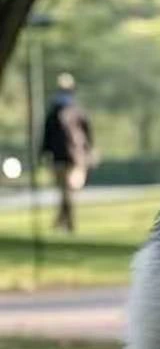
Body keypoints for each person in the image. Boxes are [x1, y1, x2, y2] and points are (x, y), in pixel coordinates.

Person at [40, 73, 94, 233]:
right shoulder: (76, 111)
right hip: (73, 157)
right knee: (67, 192)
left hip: (66, 157)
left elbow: (46, 136)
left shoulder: (56, 111)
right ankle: (67, 223)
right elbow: (88, 135)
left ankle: (61, 222)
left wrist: (43, 153)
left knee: (66, 191)